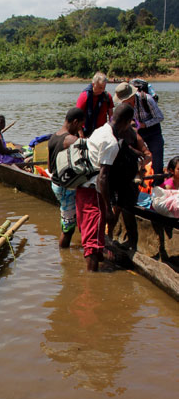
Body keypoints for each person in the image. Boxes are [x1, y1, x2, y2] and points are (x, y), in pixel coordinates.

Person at [75, 101, 134, 271]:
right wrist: (108, 207)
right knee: (92, 245)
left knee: (93, 235)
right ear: (126, 122)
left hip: (83, 188)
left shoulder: (100, 130)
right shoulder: (111, 142)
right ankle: (92, 286)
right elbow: (103, 177)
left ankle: (99, 264)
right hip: (93, 192)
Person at [47, 107, 85, 248]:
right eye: (80, 125)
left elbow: (50, 168)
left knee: (68, 220)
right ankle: (63, 254)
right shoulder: (70, 139)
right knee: (68, 228)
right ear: (75, 122)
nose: (81, 128)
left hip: (56, 184)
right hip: (66, 187)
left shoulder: (53, 137)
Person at [125, 81, 165, 183]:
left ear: (132, 96)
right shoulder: (125, 104)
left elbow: (160, 117)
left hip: (153, 130)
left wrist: (144, 124)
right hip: (137, 131)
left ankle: (158, 185)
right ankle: (134, 182)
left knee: (157, 158)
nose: (123, 101)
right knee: (131, 155)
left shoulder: (147, 99)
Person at [76, 72, 113, 137]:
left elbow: (111, 116)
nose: (102, 90)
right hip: (86, 131)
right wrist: (81, 136)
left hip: (101, 132)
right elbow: (76, 117)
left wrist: (111, 132)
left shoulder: (107, 97)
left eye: (104, 87)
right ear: (93, 84)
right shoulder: (84, 96)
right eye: (100, 87)